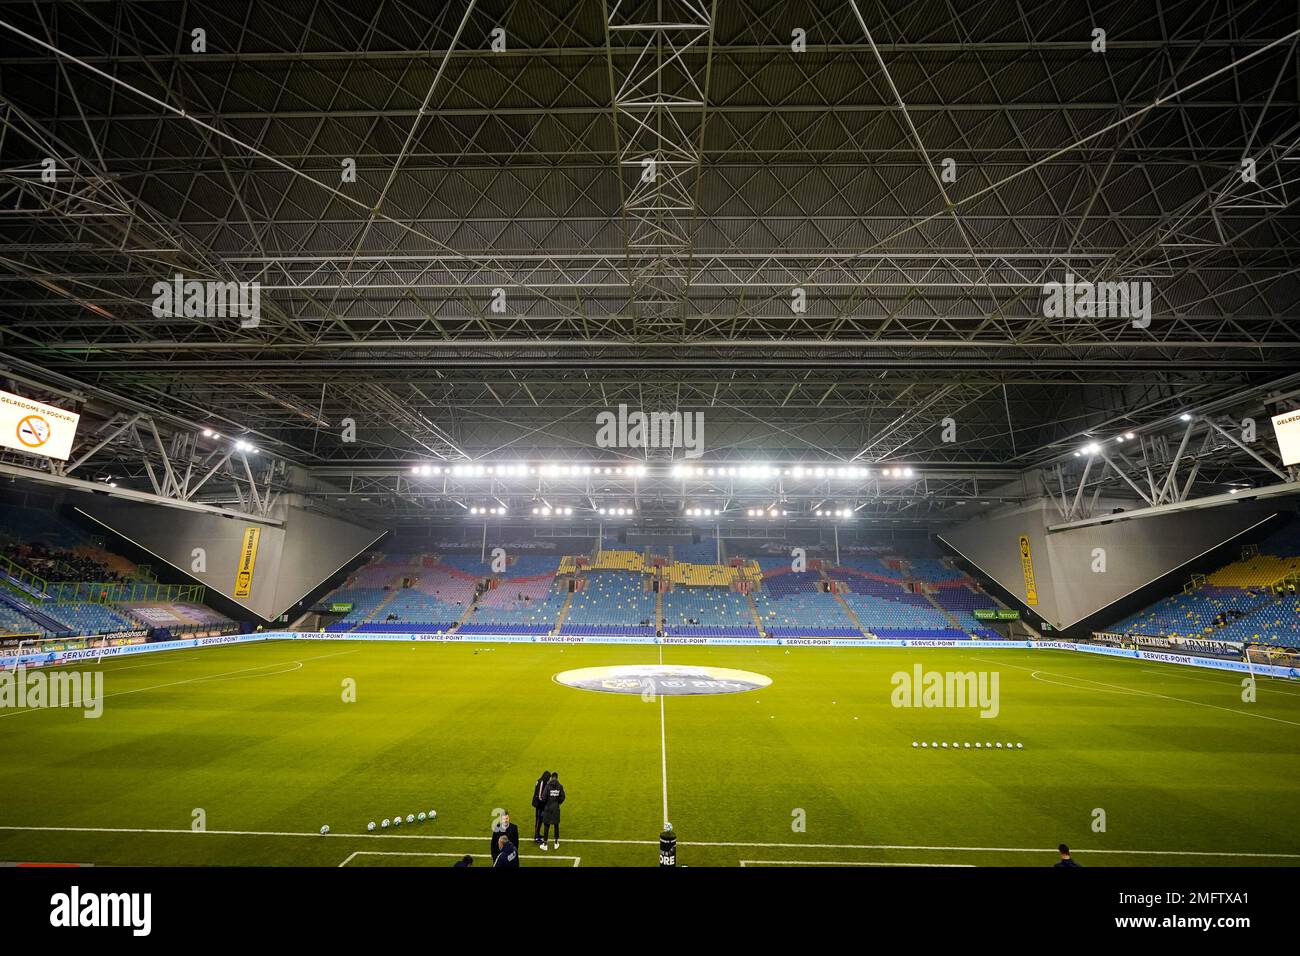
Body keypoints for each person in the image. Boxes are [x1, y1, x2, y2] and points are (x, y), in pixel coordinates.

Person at [540, 772, 565, 851]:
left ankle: (545, 844)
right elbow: (563, 797)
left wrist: (546, 803)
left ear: (551, 777)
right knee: (556, 825)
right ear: (557, 777)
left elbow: (543, 798)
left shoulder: (547, 786)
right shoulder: (560, 786)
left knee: (546, 825)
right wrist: (557, 803)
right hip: (556, 808)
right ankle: (556, 843)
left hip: (547, 808)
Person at [531, 771, 552, 846]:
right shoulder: (542, 782)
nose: (549, 779)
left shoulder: (541, 781)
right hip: (539, 804)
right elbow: (540, 795)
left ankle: (538, 834)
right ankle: (536, 837)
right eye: (549, 778)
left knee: (540, 819)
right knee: (538, 819)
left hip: (540, 803)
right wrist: (545, 802)